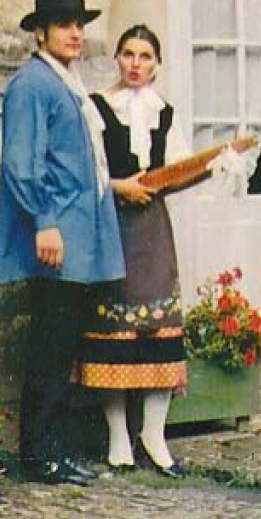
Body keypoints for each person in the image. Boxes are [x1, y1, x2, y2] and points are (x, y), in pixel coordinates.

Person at [0, 0, 124, 484]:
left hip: (78, 233)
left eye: (79, 24)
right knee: (51, 344)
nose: (75, 32)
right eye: (63, 24)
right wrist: (44, 221)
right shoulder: (33, 85)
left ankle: (55, 449)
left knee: (63, 344)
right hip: (57, 234)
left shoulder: (65, 82)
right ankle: (40, 454)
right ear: (40, 32)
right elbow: (21, 164)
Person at [74, 25, 191, 479]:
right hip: (112, 226)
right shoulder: (98, 108)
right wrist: (121, 187)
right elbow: (88, 169)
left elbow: (177, 169)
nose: (136, 64)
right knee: (114, 331)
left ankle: (154, 436)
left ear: (157, 63)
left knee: (158, 328)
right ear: (118, 60)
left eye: (145, 56)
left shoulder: (166, 114)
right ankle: (119, 437)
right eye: (128, 54)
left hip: (153, 229)